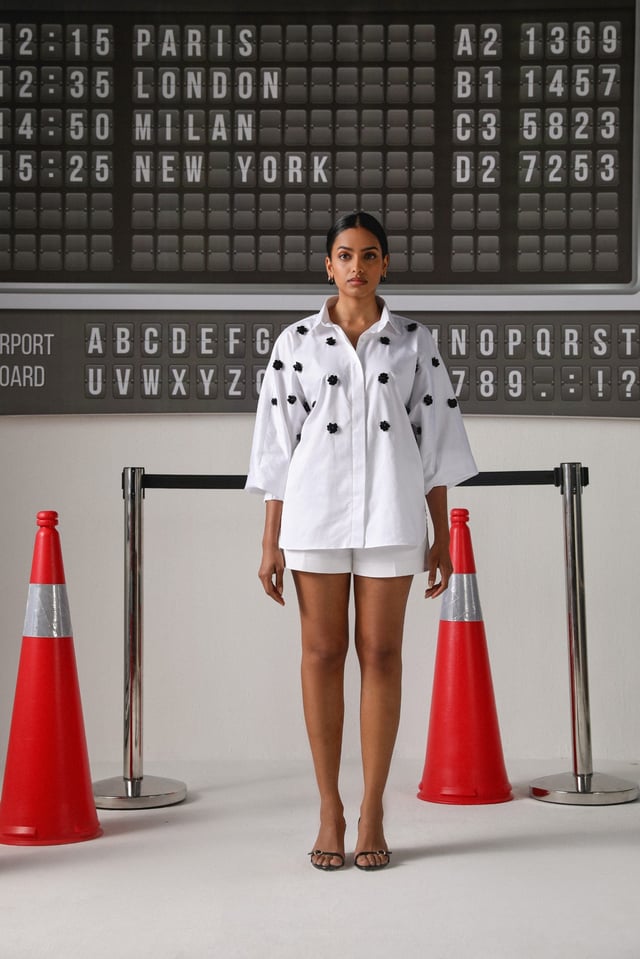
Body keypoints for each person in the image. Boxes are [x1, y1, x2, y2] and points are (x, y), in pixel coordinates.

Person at [245, 211, 477, 871]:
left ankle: (372, 808)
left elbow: (436, 441)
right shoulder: (295, 341)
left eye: (369, 255)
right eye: (345, 255)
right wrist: (270, 541)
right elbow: (276, 447)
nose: (357, 266)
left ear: (384, 265)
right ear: (328, 266)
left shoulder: (413, 340)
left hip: (392, 511)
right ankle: (330, 808)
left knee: (382, 653)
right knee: (321, 652)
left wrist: (440, 533)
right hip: (314, 513)